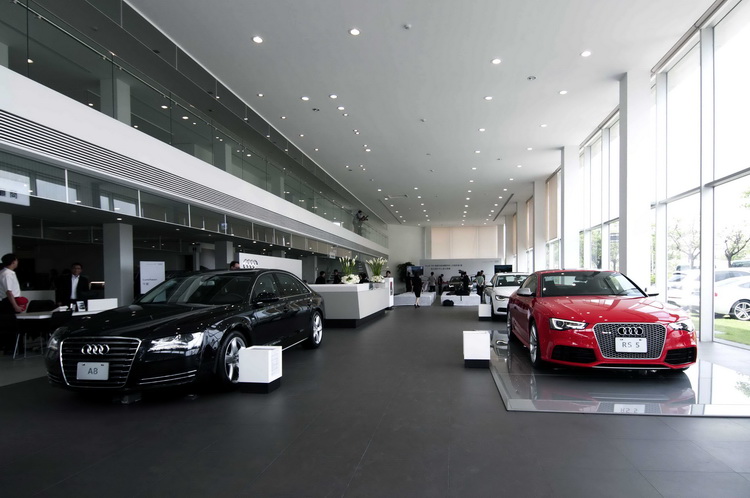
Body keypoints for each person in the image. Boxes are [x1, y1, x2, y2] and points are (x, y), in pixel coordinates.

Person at [0, 254, 26, 354]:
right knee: (12, 326)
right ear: (13, 261)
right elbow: (9, 292)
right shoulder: (7, 274)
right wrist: (15, 305)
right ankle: (12, 349)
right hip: (9, 302)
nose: (17, 262)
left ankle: (14, 348)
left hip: (11, 301)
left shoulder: (7, 273)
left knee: (12, 326)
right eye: (16, 260)